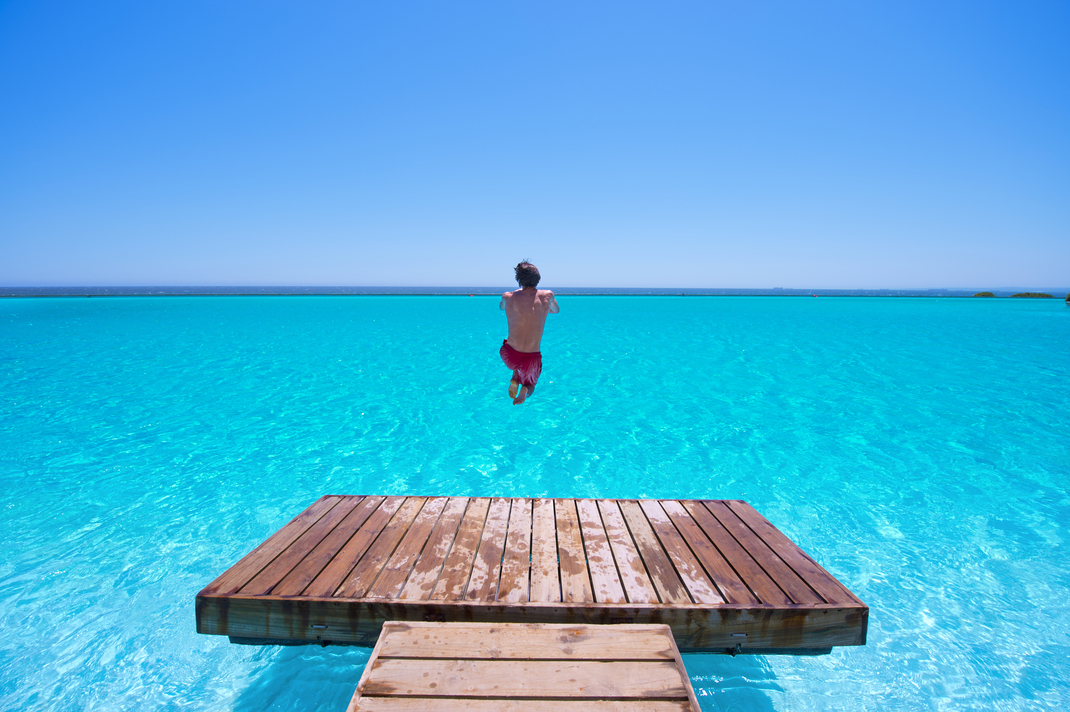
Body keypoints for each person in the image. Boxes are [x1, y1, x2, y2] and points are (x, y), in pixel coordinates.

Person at [499, 262, 559, 404]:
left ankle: (515, 376)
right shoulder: (547, 295)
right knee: (531, 385)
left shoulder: (507, 296)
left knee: (508, 343)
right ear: (538, 278)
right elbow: (556, 310)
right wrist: (543, 310)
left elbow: (501, 307)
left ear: (519, 279)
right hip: (531, 358)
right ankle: (524, 391)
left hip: (509, 355)